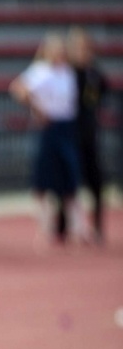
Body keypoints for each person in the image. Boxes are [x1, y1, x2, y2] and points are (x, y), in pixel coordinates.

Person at [9, 33, 89, 246]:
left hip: (67, 126)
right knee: (43, 179)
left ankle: (77, 227)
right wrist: (37, 109)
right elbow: (18, 88)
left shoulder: (68, 71)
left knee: (70, 177)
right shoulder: (40, 71)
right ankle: (44, 228)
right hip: (49, 127)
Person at [66, 28, 108, 243]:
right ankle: (64, 228)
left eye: (86, 49)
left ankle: (97, 227)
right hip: (69, 135)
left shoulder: (94, 74)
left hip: (89, 135)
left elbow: (98, 97)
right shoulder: (66, 73)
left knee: (96, 183)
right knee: (67, 183)